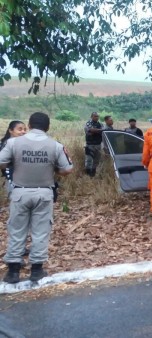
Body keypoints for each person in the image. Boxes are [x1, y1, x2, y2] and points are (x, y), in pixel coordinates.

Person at [0, 112, 73, 283]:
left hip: (20, 192)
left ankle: (13, 272)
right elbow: (68, 169)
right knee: (41, 231)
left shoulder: (13, 143)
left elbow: (1, 161)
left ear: (30, 125)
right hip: (44, 193)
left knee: (17, 230)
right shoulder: (55, 145)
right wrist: (54, 170)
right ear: (47, 127)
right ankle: (36, 270)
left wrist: (13, 164)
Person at [0, 121, 27, 198]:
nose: (23, 132)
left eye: (25, 129)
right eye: (20, 129)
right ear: (10, 130)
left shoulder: (23, 143)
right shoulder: (4, 144)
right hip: (12, 179)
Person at [84, 112, 103, 177]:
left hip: (98, 144)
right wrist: (97, 131)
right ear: (91, 116)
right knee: (89, 160)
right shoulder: (88, 123)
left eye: (97, 116)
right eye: (95, 116)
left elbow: (102, 131)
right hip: (90, 145)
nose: (96, 117)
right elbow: (90, 130)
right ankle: (87, 175)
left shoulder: (100, 124)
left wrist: (95, 131)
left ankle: (93, 174)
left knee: (96, 160)